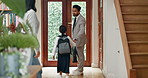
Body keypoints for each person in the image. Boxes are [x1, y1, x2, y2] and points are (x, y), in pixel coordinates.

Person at [23, 0, 42, 77]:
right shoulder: (31, 13)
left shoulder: (25, 14)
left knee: (38, 70)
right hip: (29, 44)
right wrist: (37, 49)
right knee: (29, 71)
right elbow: (32, 33)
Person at [71, 5, 87, 75]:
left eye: (75, 11)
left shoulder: (81, 19)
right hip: (76, 40)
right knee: (78, 55)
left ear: (79, 11)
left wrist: (76, 37)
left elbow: (82, 30)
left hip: (80, 40)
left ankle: (80, 70)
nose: (73, 12)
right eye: (73, 11)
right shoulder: (76, 18)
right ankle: (79, 67)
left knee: (80, 55)